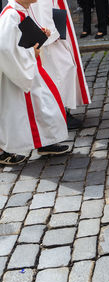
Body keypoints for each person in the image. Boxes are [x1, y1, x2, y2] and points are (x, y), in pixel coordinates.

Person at [0, 0, 70, 165]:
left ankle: (46, 142)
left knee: (43, 102)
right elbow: (5, 49)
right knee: (16, 113)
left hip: (28, 69)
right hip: (18, 73)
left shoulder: (22, 10)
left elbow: (20, 39)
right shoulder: (11, 15)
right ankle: (5, 151)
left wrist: (40, 36)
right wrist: (31, 53)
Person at [31, 0, 91, 130]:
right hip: (47, 25)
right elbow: (42, 5)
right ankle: (59, 112)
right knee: (61, 68)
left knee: (61, 68)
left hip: (52, 18)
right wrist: (51, 31)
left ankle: (60, 110)